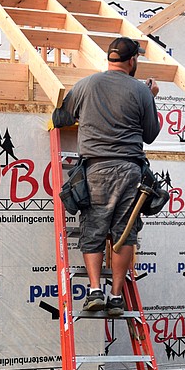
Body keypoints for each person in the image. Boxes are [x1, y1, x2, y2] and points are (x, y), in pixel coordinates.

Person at [51, 37, 160, 317]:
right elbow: (150, 134)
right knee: (124, 234)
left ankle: (95, 290)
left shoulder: (87, 84)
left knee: (94, 230)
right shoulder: (141, 91)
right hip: (130, 171)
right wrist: (151, 98)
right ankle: (115, 297)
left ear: (110, 58)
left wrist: (88, 114)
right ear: (132, 60)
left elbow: (60, 117)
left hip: (96, 169)